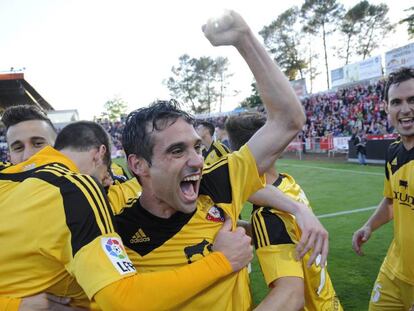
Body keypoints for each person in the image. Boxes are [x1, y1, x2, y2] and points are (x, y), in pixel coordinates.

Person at [113, 9, 316, 310]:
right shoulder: (116, 226)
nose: (197, 161)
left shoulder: (220, 184)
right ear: (138, 165)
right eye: (177, 151)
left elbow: (288, 120)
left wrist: (244, 39)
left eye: (197, 147)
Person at [0, 120, 252, 311]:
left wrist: (11, 303)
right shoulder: (76, 190)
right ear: (100, 155)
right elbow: (121, 300)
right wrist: (223, 260)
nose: (107, 183)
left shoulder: (6, 182)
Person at [226, 112, 342, 311]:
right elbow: (288, 233)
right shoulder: (288, 183)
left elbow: (290, 297)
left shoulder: (266, 215)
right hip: (329, 302)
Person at [352, 67, 414, 310]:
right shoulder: (394, 151)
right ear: (387, 109)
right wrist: (369, 225)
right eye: (396, 102)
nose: (406, 109)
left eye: (412, 100)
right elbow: (391, 201)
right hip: (393, 270)